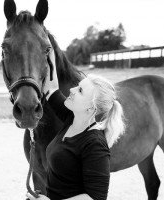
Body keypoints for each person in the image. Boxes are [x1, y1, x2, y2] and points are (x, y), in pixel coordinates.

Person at [27, 50, 125, 200]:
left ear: (90, 108)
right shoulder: (70, 119)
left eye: (80, 90)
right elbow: (51, 89)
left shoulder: (95, 145)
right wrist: (49, 50)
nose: (72, 90)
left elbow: (95, 198)